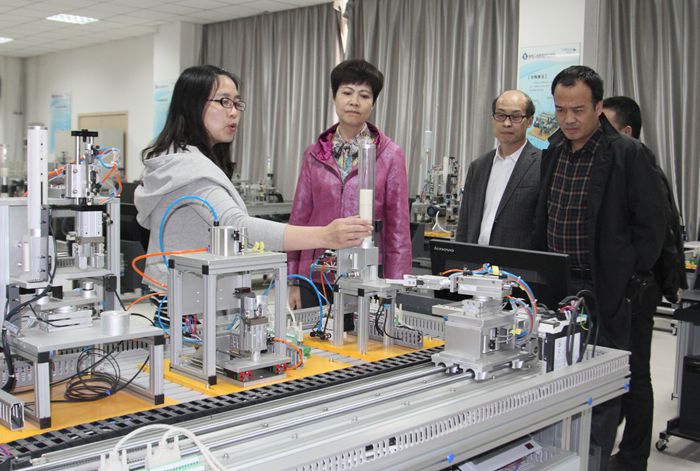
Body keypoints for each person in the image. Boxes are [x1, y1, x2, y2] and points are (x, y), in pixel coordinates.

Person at [532, 66, 666, 471]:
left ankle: (594, 462)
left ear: (598, 107)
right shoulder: (553, 151)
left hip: (606, 289)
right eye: (560, 110)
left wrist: (626, 277)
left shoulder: (627, 154)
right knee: (556, 378)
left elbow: (652, 226)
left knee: (603, 389)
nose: (569, 119)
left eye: (578, 110)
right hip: (560, 288)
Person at [134, 65, 372, 286]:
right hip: (187, 296)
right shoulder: (187, 167)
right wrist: (326, 236)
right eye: (224, 102)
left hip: (182, 290)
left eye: (237, 103)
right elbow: (237, 227)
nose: (234, 113)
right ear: (192, 105)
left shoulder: (175, 158)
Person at [602, 96, 687, 471]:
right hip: (617, 285)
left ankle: (634, 457)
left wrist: (653, 280)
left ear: (626, 131)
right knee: (619, 369)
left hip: (638, 287)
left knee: (635, 372)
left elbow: (660, 231)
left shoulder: (641, 166)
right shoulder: (614, 166)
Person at [287, 59, 411, 309]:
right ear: (334, 97)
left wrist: (395, 287)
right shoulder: (313, 154)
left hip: (366, 275)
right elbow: (299, 220)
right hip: (315, 274)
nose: (354, 101)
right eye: (347, 93)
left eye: (364, 95)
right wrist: (293, 279)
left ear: (372, 104)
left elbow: (398, 230)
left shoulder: (390, 155)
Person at [455, 90, 540, 248]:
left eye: (515, 117)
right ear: (493, 119)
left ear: (529, 121)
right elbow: (464, 224)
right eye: (500, 115)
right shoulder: (478, 167)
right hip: (475, 259)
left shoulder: (541, 165)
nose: (506, 123)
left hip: (515, 260)